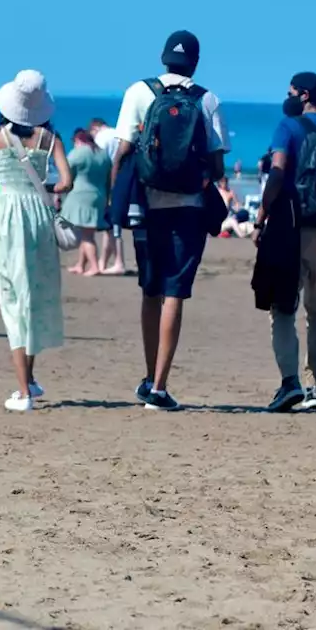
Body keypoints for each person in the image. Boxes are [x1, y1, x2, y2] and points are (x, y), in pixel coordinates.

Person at [109, 30, 229, 412]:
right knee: (175, 292)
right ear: (195, 62)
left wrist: (116, 199)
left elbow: (123, 151)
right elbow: (218, 164)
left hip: (146, 206)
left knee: (150, 290)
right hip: (190, 208)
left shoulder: (139, 92)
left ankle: (148, 376)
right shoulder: (207, 99)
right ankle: (160, 387)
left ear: (163, 59)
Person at [0, 71, 72, 412]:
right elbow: (66, 181)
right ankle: (31, 378)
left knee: (13, 296)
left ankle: (23, 392)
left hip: (10, 214)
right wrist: (46, 190)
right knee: (34, 293)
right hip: (38, 215)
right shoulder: (50, 138)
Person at [256, 72, 316, 412]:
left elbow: (278, 171)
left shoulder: (289, 126)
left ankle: (289, 384)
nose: (287, 97)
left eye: (291, 91)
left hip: (293, 227)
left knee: (282, 308)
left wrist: (262, 214)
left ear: (304, 94)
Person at [61, 129, 114, 276]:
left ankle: (94, 266)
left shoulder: (79, 153)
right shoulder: (103, 154)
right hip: (99, 195)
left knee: (86, 235)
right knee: (86, 231)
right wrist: (108, 198)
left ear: (78, 140)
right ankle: (80, 265)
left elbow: (66, 172)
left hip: (81, 195)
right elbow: (109, 180)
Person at [89, 118, 126, 274]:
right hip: (123, 180)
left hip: (108, 184)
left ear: (94, 128)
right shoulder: (118, 133)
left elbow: (99, 162)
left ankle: (118, 262)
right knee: (110, 226)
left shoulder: (101, 138)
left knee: (111, 226)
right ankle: (103, 262)